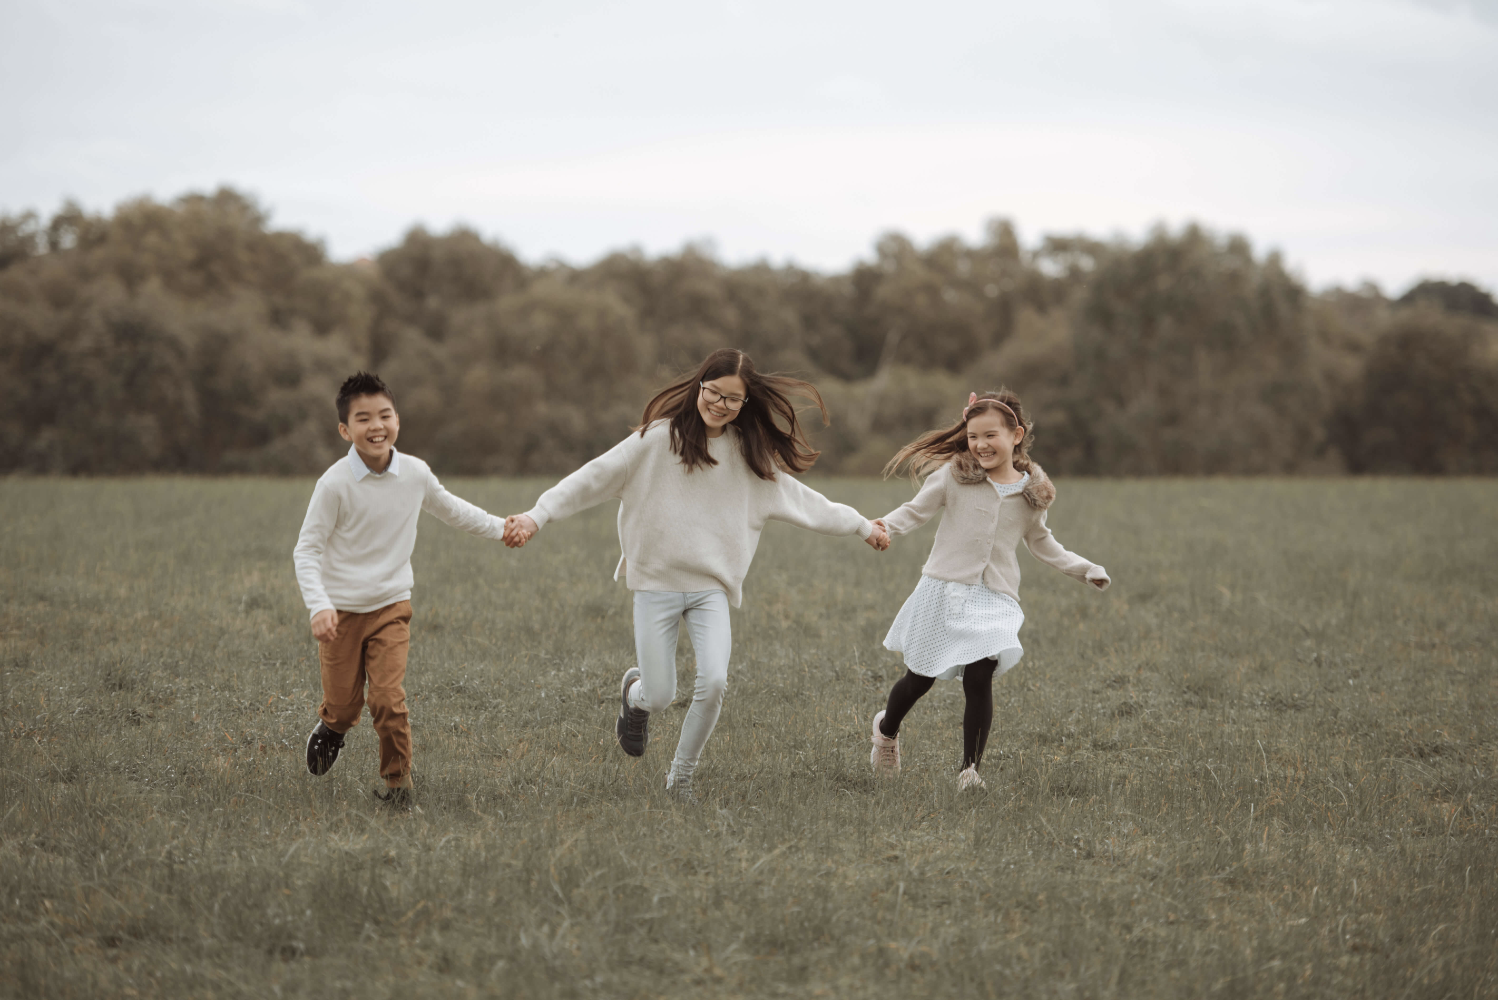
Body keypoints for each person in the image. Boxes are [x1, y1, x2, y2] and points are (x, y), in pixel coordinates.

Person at [503, 348, 890, 803]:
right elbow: (589, 478)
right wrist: (536, 515)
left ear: (745, 405)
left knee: (715, 681)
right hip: (654, 587)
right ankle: (636, 695)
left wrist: (864, 527)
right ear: (699, 387)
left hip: (711, 591)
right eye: (714, 392)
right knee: (662, 695)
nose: (720, 405)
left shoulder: (749, 459)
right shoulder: (653, 441)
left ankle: (680, 778)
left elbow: (806, 501)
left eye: (733, 399)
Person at [869, 390, 1110, 790]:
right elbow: (915, 511)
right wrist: (882, 528)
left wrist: (1084, 569)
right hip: (942, 590)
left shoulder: (1032, 494)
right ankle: (886, 731)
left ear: (1016, 435)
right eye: (973, 436)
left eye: (990, 436)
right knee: (919, 679)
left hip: (995, 596)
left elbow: (1042, 543)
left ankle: (969, 771)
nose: (980, 445)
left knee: (980, 676)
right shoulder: (953, 477)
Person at [293, 371, 509, 807]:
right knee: (345, 705)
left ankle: (398, 787)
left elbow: (454, 510)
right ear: (344, 430)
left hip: (391, 606)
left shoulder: (414, 473)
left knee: (388, 701)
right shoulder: (334, 484)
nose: (376, 426)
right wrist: (319, 606)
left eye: (385, 415)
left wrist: (502, 527)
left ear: (397, 420)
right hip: (341, 614)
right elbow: (307, 550)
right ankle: (333, 726)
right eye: (363, 418)